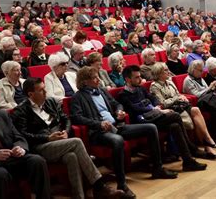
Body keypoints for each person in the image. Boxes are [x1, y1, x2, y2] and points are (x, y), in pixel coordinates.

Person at [70, 67, 180, 198]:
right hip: (99, 132)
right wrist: (98, 124)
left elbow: (116, 103)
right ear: (85, 81)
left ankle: (157, 168)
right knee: (118, 140)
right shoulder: (78, 97)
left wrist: (119, 111)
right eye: (95, 77)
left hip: (117, 125)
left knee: (151, 128)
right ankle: (122, 184)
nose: (98, 79)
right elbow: (77, 117)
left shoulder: (102, 91)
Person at [11, 78, 123, 199]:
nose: (45, 92)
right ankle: (99, 186)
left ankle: (78, 196)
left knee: (72, 157)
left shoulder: (51, 102)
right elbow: (23, 134)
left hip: (61, 141)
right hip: (41, 146)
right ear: (30, 94)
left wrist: (66, 131)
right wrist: (47, 138)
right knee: (76, 142)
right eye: (41, 90)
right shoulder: (21, 111)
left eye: (45, 88)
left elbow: (66, 119)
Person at [118, 65, 210, 167]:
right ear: (127, 79)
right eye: (136, 77)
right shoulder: (123, 95)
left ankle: (188, 160)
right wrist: (155, 109)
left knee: (175, 126)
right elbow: (134, 110)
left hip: (153, 116)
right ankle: (192, 149)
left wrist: (157, 106)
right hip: (142, 122)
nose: (140, 79)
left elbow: (153, 98)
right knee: (174, 115)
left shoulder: (140, 88)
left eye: (140, 76)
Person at [150, 63, 216, 157]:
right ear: (158, 73)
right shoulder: (154, 86)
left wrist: (181, 97)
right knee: (191, 117)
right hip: (170, 109)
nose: (168, 72)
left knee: (195, 109)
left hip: (180, 105)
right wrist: (177, 98)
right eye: (165, 70)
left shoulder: (170, 82)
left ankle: (207, 140)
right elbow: (162, 103)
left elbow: (177, 94)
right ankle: (202, 146)